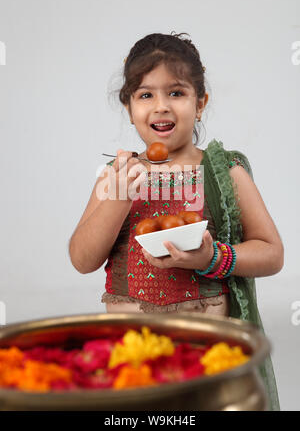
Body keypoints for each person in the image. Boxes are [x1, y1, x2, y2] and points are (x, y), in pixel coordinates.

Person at [68, 32, 284, 410]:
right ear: (129, 105)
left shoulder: (224, 172)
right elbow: (83, 259)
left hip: (207, 343)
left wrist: (211, 259)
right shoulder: (116, 175)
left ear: (200, 103)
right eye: (145, 94)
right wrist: (117, 199)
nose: (161, 106)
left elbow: (271, 253)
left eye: (177, 92)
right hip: (133, 346)